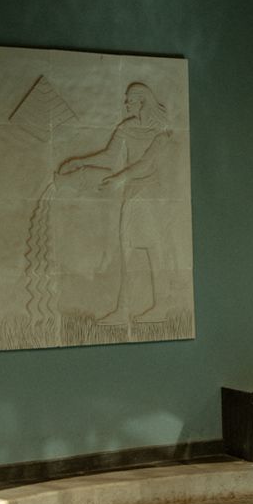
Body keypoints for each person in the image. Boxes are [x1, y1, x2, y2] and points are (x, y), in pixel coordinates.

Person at [53, 81, 174, 325]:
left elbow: (146, 164)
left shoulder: (161, 132)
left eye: (130, 99)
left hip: (150, 195)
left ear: (142, 102)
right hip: (131, 194)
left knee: (154, 251)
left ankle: (160, 307)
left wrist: (119, 178)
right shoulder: (126, 127)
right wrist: (79, 162)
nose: (126, 103)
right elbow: (110, 156)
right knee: (126, 250)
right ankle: (123, 310)